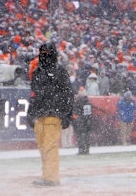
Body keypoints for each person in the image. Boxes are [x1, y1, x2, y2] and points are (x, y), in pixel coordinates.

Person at [26, 42, 73, 186]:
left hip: (53, 113)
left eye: (47, 52)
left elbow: (68, 94)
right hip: (41, 113)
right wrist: (31, 112)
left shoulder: (59, 72)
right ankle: (47, 175)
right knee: (42, 146)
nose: (44, 55)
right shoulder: (38, 72)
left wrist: (67, 114)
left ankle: (51, 177)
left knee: (50, 145)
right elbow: (34, 95)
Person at [73, 85, 94, 155]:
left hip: (82, 122)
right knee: (84, 137)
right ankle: (84, 150)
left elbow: (87, 114)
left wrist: (80, 119)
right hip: (83, 122)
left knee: (82, 137)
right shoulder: (85, 101)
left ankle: (83, 150)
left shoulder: (84, 102)